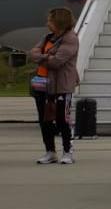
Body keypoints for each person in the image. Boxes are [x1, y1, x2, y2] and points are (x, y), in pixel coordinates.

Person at [28, 8, 79, 165]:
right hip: (42, 84)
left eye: (50, 20)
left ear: (59, 22)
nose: (47, 23)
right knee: (45, 120)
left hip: (61, 85)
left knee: (62, 119)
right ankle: (50, 151)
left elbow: (57, 62)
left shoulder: (70, 39)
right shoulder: (47, 37)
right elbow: (32, 53)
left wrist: (41, 57)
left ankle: (67, 151)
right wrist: (46, 57)